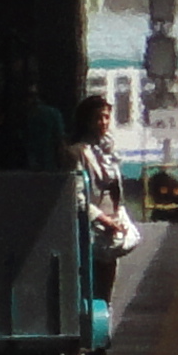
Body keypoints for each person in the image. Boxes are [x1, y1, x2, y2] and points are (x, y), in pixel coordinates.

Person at [73, 92, 141, 261]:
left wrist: (118, 215)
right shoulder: (77, 152)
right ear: (86, 121)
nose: (103, 122)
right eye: (97, 118)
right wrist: (102, 219)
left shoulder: (109, 149)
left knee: (109, 269)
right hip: (94, 223)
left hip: (113, 221)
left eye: (106, 117)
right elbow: (77, 196)